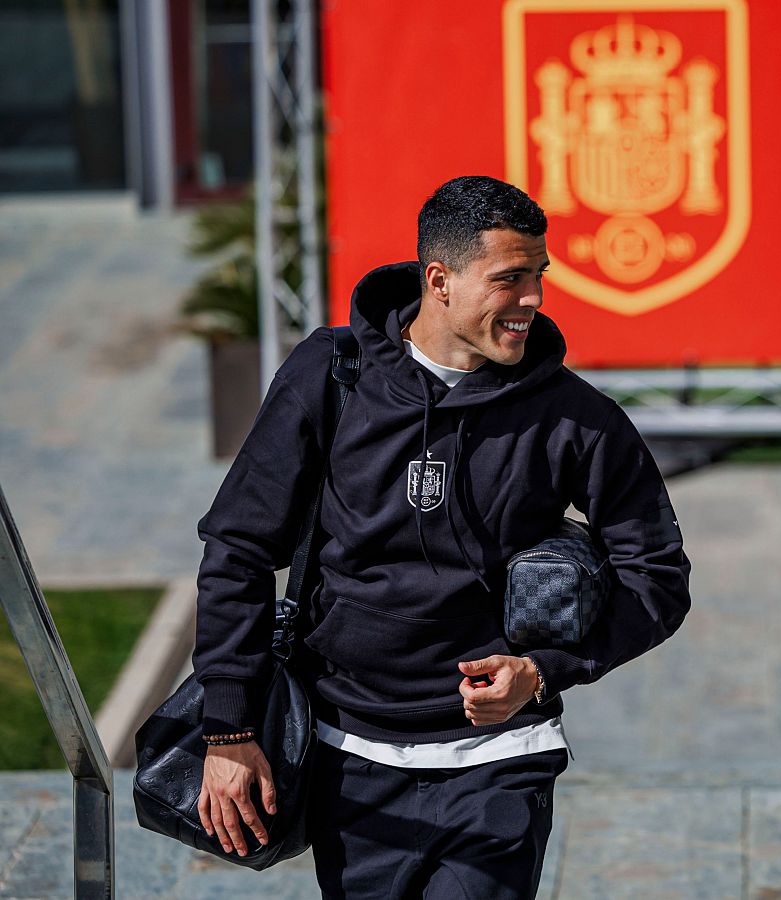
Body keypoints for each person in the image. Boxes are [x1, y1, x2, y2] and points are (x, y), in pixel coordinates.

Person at [191, 175, 691, 897]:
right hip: (347, 755)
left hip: (500, 759)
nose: (533, 301)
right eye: (509, 279)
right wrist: (228, 729)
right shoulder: (329, 377)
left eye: (538, 278)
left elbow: (658, 579)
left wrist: (545, 670)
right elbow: (238, 549)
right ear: (440, 280)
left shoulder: (577, 420)